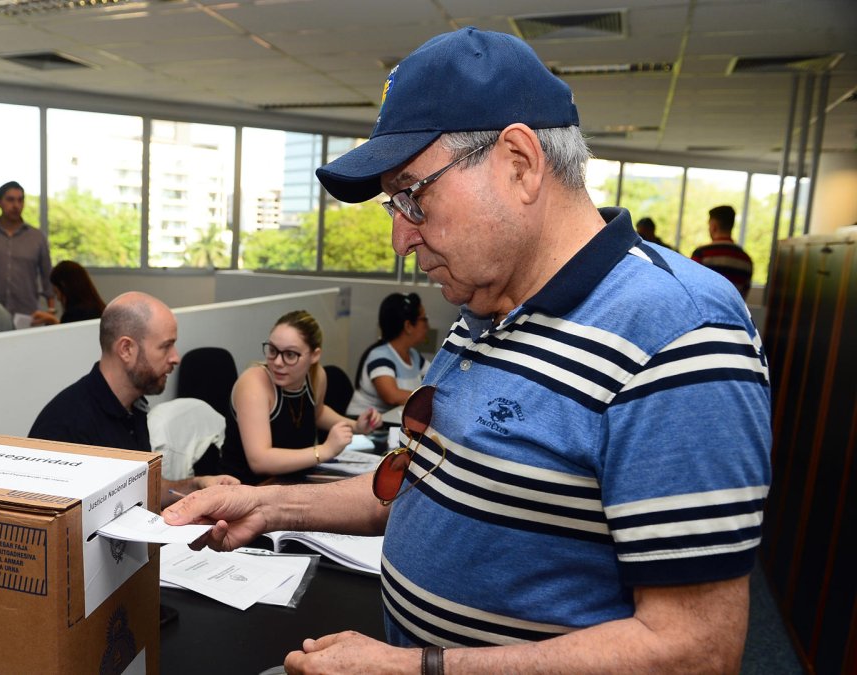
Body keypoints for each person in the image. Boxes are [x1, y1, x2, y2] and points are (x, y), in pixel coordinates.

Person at [164, 28, 770, 674]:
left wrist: (414, 668)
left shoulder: (679, 332)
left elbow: (694, 650)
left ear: (519, 164)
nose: (400, 239)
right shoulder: (483, 304)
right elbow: (421, 480)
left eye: (413, 195)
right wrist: (267, 505)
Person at [29, 291, 237, 507]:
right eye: (166, 346)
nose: (176, 357)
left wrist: (197, 485)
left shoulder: (133, 407)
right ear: (126, 349)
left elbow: (143, 488)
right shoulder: (64, 428)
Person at [220, 310, 381, 485]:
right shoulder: (254, 383)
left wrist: (356, 426)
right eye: (273, 350)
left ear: (314, 355)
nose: (278, 362)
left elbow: (317, 413)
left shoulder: (316, 376)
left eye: (290, 355)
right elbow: (260, 461)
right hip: (247, 487)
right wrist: (324, 450)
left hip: (294, 480)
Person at [0, 181, 54, 319]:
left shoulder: (37, 236)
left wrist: (51, 310)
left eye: (20, 200)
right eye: (10, 200)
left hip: (28, 314)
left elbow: (47, 276)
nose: (16, 205)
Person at [347, 292, 431, 416]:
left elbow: (437, 379)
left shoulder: (414, 356)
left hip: (393, 419)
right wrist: (430, 400)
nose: (427, 326)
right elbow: (392, 396)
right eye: (424, 319)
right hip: (364, 422)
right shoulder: (380, 356)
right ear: (408, 326)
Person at [692, 205, 754, 299]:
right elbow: (742, 298)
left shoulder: (701, 254)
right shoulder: (746, 260)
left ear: (714, 227)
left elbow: (691, 288)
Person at [31, 260, 106, 326]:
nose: (58, 298)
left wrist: (53, 320)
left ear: (64, 286)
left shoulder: (74, 314)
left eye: (57, 292)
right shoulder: (98, 309)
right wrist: (52, 320)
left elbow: (68, 334)